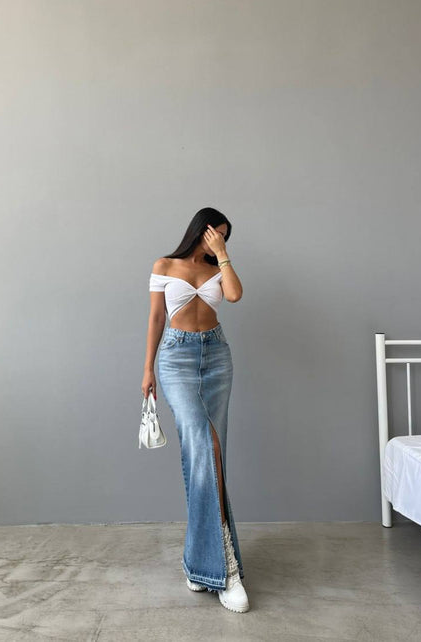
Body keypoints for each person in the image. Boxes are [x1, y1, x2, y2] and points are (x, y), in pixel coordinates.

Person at [142, 207, 250, 613]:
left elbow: (235, 295)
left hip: (217, 356)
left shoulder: (217, 267)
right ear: (199, 231)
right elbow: (156, 318)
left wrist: (222, 255)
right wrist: (147, 369)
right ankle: (225, 570)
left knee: (213, 455)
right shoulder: (164, 265)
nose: (218, 239)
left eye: (223, 236)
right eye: (214, 234)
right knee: (203, 449)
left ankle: (202, 564)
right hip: (177, 358)